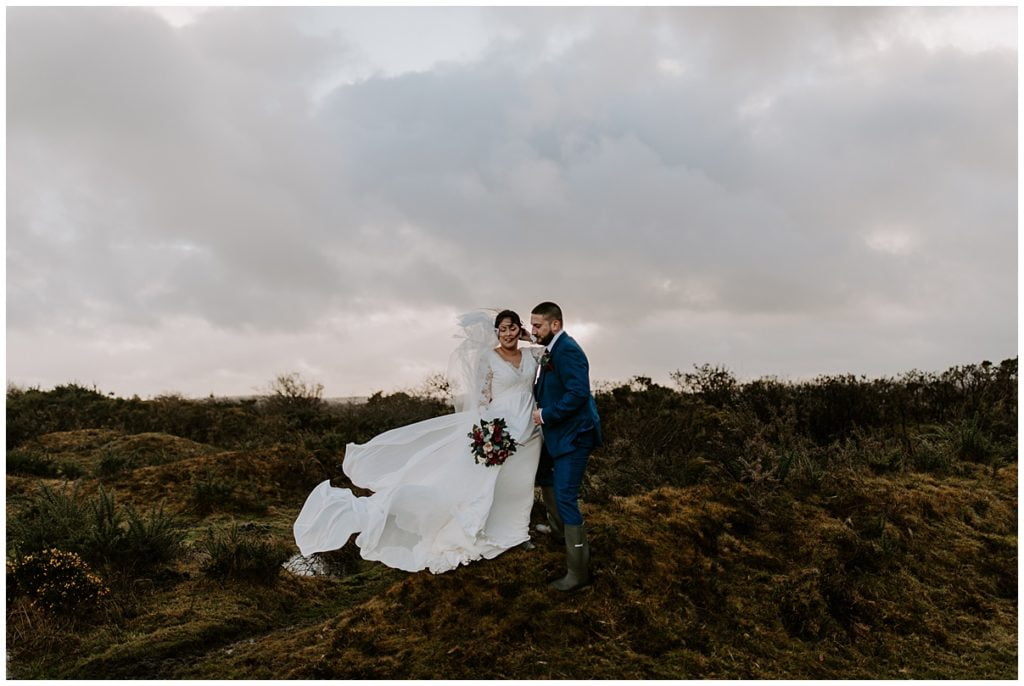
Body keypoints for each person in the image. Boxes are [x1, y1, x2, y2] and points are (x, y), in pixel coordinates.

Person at [293, 309, 543, 574]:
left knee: (521, 482)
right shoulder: (489, 358)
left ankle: (519, 533)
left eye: (512, 328)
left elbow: (548, 348)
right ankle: (499, 531)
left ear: (520, 329)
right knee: (496, 483)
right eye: (502, 329)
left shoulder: (532, 355)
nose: (507, 334)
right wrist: (488, 432)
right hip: (501, 430)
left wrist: (529, 338)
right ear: (496, 332)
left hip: (530, 428)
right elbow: (481, 401)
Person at [530, 301, 602, 591]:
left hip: (575, 434)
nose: (533, 331)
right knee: (544, 476)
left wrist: (545, 414)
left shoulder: (568, 350)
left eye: (537, 325)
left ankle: (577, 572)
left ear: (555, 325)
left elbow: (578, 393)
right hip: (558, 433)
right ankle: (558, 531)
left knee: (566, 497)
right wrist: (528, 335)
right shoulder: (552, 346)